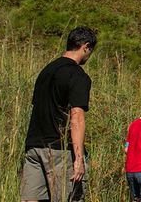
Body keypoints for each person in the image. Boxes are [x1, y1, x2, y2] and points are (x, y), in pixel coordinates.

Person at [20, 26, 97, 202]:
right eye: (90, 51)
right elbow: (76, 116)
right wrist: (78, 158)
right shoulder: (77, 75)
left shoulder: (46, 72)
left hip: (34, 147)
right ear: (85, 47)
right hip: (59, 150)